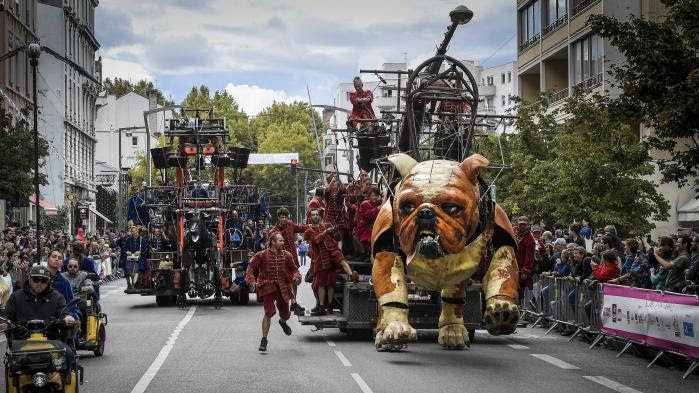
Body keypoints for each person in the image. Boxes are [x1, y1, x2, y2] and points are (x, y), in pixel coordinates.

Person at [0, 265, 77, 377]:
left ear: (48, 282)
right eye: (36, 280)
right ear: (30, 279)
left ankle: (66, 382)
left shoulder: (57, 297)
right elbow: (6, 315)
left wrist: (67, 318)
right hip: (22, 343)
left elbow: (64, 312)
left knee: (69, 354)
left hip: (52, 342)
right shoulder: (16, 297)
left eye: (43, 280)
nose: (39, 283)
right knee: (13, 367)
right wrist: (4, 322)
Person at [245, 233, 301, 352]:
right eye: (280, 241)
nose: (283, 243)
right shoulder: (262, 255)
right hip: (267, 287)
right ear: (273, 242)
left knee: (285, 314)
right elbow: (250, 267)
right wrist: (251, 280)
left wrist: (297, 277)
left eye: (283, 241)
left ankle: (283, 321)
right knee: (269, 313)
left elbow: (295, 269)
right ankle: (264, 340)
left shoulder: (287, 255)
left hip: (283, 288)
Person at [304, 209, 359, 316]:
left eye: (317, 215)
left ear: (320, 216)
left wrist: (336, 230)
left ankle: (352, 276)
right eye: (313, 215)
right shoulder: (308, 231)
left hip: (332, 252)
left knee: (331, 282)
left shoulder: (327, 225)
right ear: (310, 217)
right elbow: (316, 240)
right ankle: (321, 306)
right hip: (320, 258)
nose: (315, 216)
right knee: (320, 283)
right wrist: (326, 232)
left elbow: (338, 238)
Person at [269, 208, 309, 315]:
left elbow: (301, 228)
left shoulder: (290, 225)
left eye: (286, 217)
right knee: (288, 282)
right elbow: (269, 246)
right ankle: (292, 304)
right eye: (282, 217)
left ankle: (293, 303)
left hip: (293, 260)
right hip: (281, 261)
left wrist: (312, 226)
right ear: (278, 218)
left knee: (295, 281)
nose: (284, 219)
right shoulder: (273, 231)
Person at [61, 258, 95, 342]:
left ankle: (83, 333)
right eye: (70, 266)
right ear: (67, 267)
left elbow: (91, 287)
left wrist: (86, 288)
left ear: (78, 267)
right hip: (66, 301)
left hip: (79, 300)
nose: (72, 268)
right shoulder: (62, 276)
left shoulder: (84, 275)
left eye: (75, 266)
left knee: (84, 307)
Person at [355, 186, 381, 258]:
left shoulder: (379, 203)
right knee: (368, 240)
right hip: (365, 226)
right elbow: (367, 215)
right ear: (369, 196)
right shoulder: (365, 204)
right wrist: (377, 209)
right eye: (373, 195)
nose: (374, 197)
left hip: (374, 226)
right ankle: (366, 255)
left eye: (376, 195)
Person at [514, 216, 535, 298]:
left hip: (520, 269)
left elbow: (530, 257)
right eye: (520, 224)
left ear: (527, 225)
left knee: (520, 290)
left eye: (524, 225)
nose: (522, 226)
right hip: (511, 266)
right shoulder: (513, 233)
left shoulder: (530, 239)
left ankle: (520, 308)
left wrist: (525, 271)